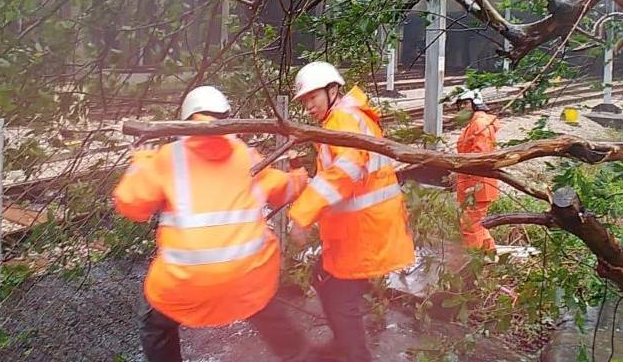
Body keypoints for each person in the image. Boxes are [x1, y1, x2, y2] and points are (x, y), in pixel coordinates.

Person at [113, 86, 311, 362]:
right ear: (228, 118)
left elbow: (131, 205)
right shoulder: (247, 157)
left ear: (185, 121)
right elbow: (286, 190)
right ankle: (298, 354)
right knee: (261, 299)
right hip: (247, 278)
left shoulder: (167, 158)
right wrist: (299, 172)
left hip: (185, 283)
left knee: (155, 324)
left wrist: (142, 160)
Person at [286, 61, 415, 362]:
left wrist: (302, 216)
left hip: (363, 231)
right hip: (361, 229)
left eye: (312, 98)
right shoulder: (347, 116)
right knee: (326, 281)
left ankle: (355, 354)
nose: (308, 107)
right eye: (304, 101)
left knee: (340, 297)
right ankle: (344, 345)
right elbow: (337, 174)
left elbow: (345, 171)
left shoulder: (341, 119)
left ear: (332, 90)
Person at [453, 89, 500, 252]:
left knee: (470, 225)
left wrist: (456, 165)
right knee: (478, 223)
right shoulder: (475, 123)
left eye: (466, 103)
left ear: (475, 103)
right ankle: (489, 254)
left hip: (477, 184)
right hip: (472, 183)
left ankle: (473, 260)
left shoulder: (479, 123)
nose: (462, 108)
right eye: (460, 105)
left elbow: (480, 156)